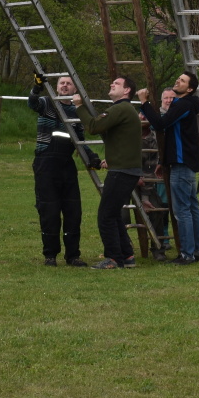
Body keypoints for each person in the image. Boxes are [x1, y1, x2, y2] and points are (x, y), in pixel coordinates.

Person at [139, 71, 199, 265]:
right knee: (192, 208)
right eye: (178, 78)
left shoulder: (183, 105)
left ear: (189, 89)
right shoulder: (186, 104)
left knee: (182, 211)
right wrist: (163, 162)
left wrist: (144, 103)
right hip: (185, 162)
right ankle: (197, 251)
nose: (177, 81)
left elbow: (160, 124)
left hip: (181, 164)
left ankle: (187, 254)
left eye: (182, 81)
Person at [27, 72, 96, 267]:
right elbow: (32, 103)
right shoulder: (47, 103)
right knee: (49, 211)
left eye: (68, 84)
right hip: (45, 163)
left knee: (73, 211)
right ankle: (50, 255)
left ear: (74, 89)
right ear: (57, 87)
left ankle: (73, 256)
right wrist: (36, 87)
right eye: (62, 83)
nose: (65, 86)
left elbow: (80, 141)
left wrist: (92, 157)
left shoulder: (76, 111)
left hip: (66, 164)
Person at [79, 75, 144, 269]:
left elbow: (94, 127)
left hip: (122, 171)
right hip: (125, 169)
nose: (111, 84)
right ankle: (127, 255)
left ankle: (114, 258)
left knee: (106, 215)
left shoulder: (120, 108)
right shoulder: (125, 110)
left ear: (127, 90)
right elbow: (120, 139)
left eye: (116, 84)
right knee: (114, 213)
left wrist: (79, 106)